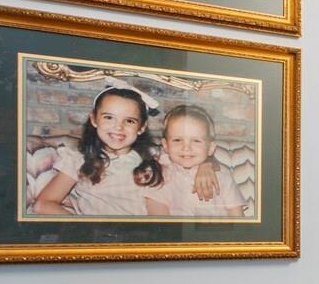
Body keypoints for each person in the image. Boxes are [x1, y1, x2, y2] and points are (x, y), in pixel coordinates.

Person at [32, 83, 164, 216]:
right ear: (94, 119)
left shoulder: (154, 159)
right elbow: (43, 204)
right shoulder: (79, 160)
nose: (118, 127)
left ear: (141, 127)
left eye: (129, 121)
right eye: (109, 117)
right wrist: (81, 226)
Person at [146, 104, 246, 217]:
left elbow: (237, 216)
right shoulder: (159, 176)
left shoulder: (223, 178)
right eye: (177, 140)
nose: (186, 147)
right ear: (165, 145)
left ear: (211, 148)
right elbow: (159, 218)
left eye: (196, 141)